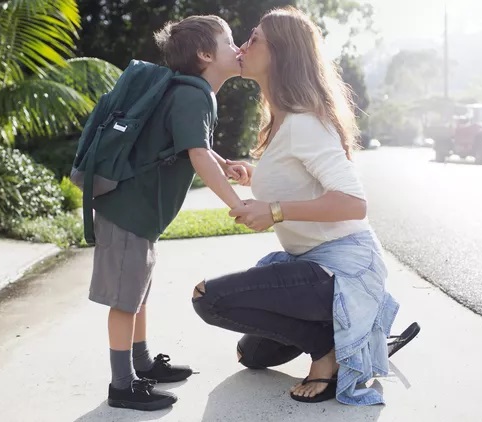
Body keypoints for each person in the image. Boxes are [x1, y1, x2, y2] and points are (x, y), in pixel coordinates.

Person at [191, 6, 403, 406]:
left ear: (282, 54)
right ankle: (345, 336)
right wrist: (253, 175)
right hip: (308, 266)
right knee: (251, 356)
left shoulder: (306, 122)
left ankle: (329, 350)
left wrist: (273, 211)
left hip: (339, 271)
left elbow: (353, 203)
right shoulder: (283, 120)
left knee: (209, 299)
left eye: (255, 39)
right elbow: (301, 178)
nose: (243, 45)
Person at [92, 15, 247, 411]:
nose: (238, 47)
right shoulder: (194, 94)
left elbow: (196, 145)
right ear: (206, 54)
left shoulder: (193, 92)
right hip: (128, 211)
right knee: (125, 300)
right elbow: (197, 156)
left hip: (139, 212)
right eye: (230, 41)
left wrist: (223, 160)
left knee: (138, 293)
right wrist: (237, 203)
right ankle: (122, 386)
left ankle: (141, 363)